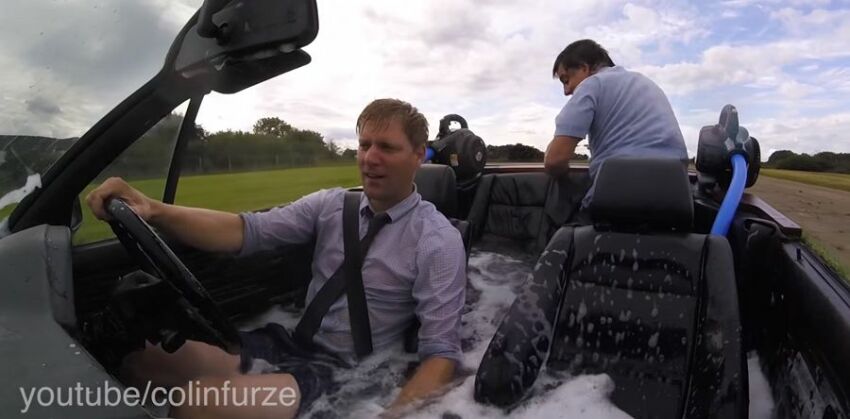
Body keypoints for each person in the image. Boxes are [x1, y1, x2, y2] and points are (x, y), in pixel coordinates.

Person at [86, 98, 467, 419]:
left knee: (197, 404)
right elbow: (245, 230)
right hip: (287, 343)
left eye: (386, 147)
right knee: (143, 363)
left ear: (419, 154)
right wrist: (153, 209)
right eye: (364, 145)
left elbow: (441, 355)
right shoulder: (331, 205)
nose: (370, 158)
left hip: (347, 373)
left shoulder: (437, 241)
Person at [544, 39, 689, 214]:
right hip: (676, 196)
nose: (566, 91)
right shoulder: (646, 83)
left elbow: (555, 161)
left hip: (618, 198)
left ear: (584, 68)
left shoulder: (592, 84)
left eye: (566, 80)